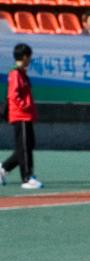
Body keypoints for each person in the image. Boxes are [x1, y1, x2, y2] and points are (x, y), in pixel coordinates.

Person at [0, 41, 42, 189]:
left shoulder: (22, 73)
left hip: (26, 115)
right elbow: (13, 95)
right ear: (24, 57)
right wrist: (25, 106)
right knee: (24, 147)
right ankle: (26, 178)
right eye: (29, 56)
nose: (30, 59)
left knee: (27, 146)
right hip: (20, 116)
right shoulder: (15, 74)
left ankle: (3, 169)